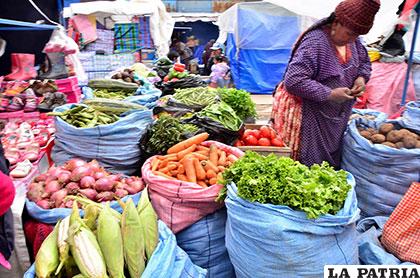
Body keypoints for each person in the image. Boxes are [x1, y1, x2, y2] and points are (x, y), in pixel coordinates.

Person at [271, 0, 380, 169]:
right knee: (308, 166)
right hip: (309, 117)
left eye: (356, 35)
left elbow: (365, 63)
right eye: (350, 34)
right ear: (336, 22)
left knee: (328, 168)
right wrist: (329, 94)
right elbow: (294, 80)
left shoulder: (354, 41)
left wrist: (361, 79)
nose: (352, 39)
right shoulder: (315, 42)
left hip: (335, 118)